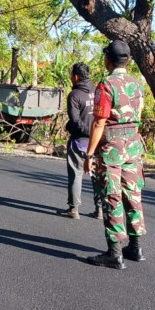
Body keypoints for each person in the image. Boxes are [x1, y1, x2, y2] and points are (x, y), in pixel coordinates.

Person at [84, 40, 146, 270]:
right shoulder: (137, 85)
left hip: (112, 146)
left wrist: (89, 154)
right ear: (127, 60)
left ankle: (114, 253)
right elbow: (138, 118)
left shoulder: (106, 85)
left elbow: (100, 121)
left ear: (108, 59)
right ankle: (136, 247)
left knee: (112, 195)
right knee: (133, 193)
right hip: (133, 144)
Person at [58, 62, 101, 220]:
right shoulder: (98, 90)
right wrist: (95, 133)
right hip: (97, 142)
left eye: (71, 76)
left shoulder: (74, 95)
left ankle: (74, 210)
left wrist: (86, 131)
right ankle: (100, 210)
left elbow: (75, 120)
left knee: (76, 174)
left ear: (76, 77)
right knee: (97, 175)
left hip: (79, 141)